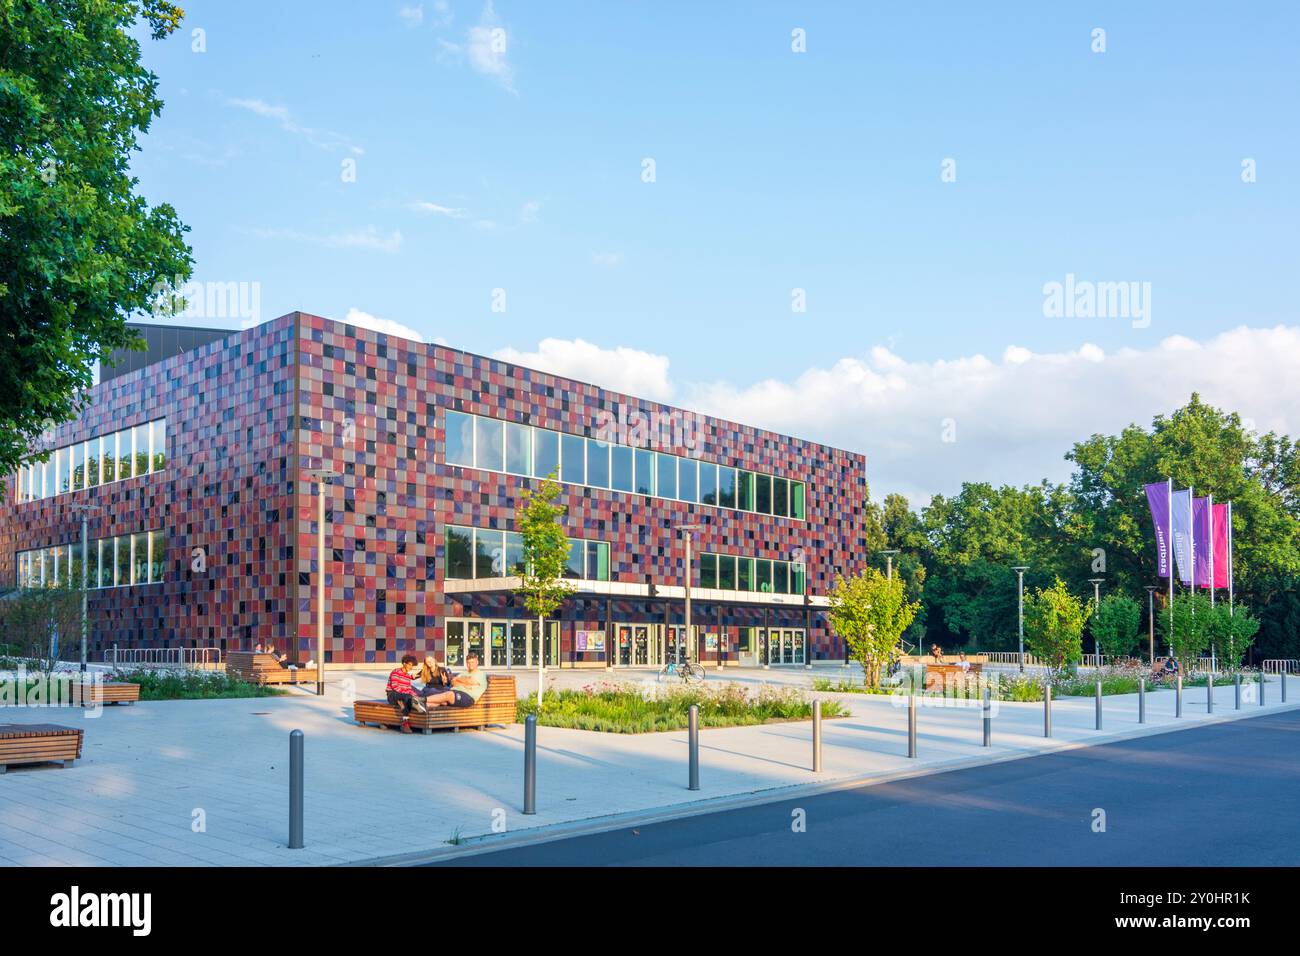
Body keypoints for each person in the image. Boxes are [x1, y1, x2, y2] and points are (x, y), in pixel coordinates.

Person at [423, 652, 488, 708]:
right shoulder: (464, 673)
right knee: (441, 701)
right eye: (468, 662)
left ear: (477, 662)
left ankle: (422, 700)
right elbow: (453, 682)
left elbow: (471, 681)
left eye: (472, 662)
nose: (470, 664)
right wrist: (464, 683)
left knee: (448, 695)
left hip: (468, 697)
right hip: (455, 692)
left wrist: (459, 679)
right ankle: (421, 705)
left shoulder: (481, 673)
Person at [386, 654, 427, 732]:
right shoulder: (396, 672)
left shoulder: (407, 676)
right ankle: (414, 703)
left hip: (402, 697)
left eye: (412, 666)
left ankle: (405, 724)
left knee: (406, 700)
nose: (411, 667)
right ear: (404, 663)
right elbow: (395, 687)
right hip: (392, 694)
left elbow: (409, 688)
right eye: (410, 665)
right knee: (406, 697)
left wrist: (414, 695)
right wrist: (409, 695)